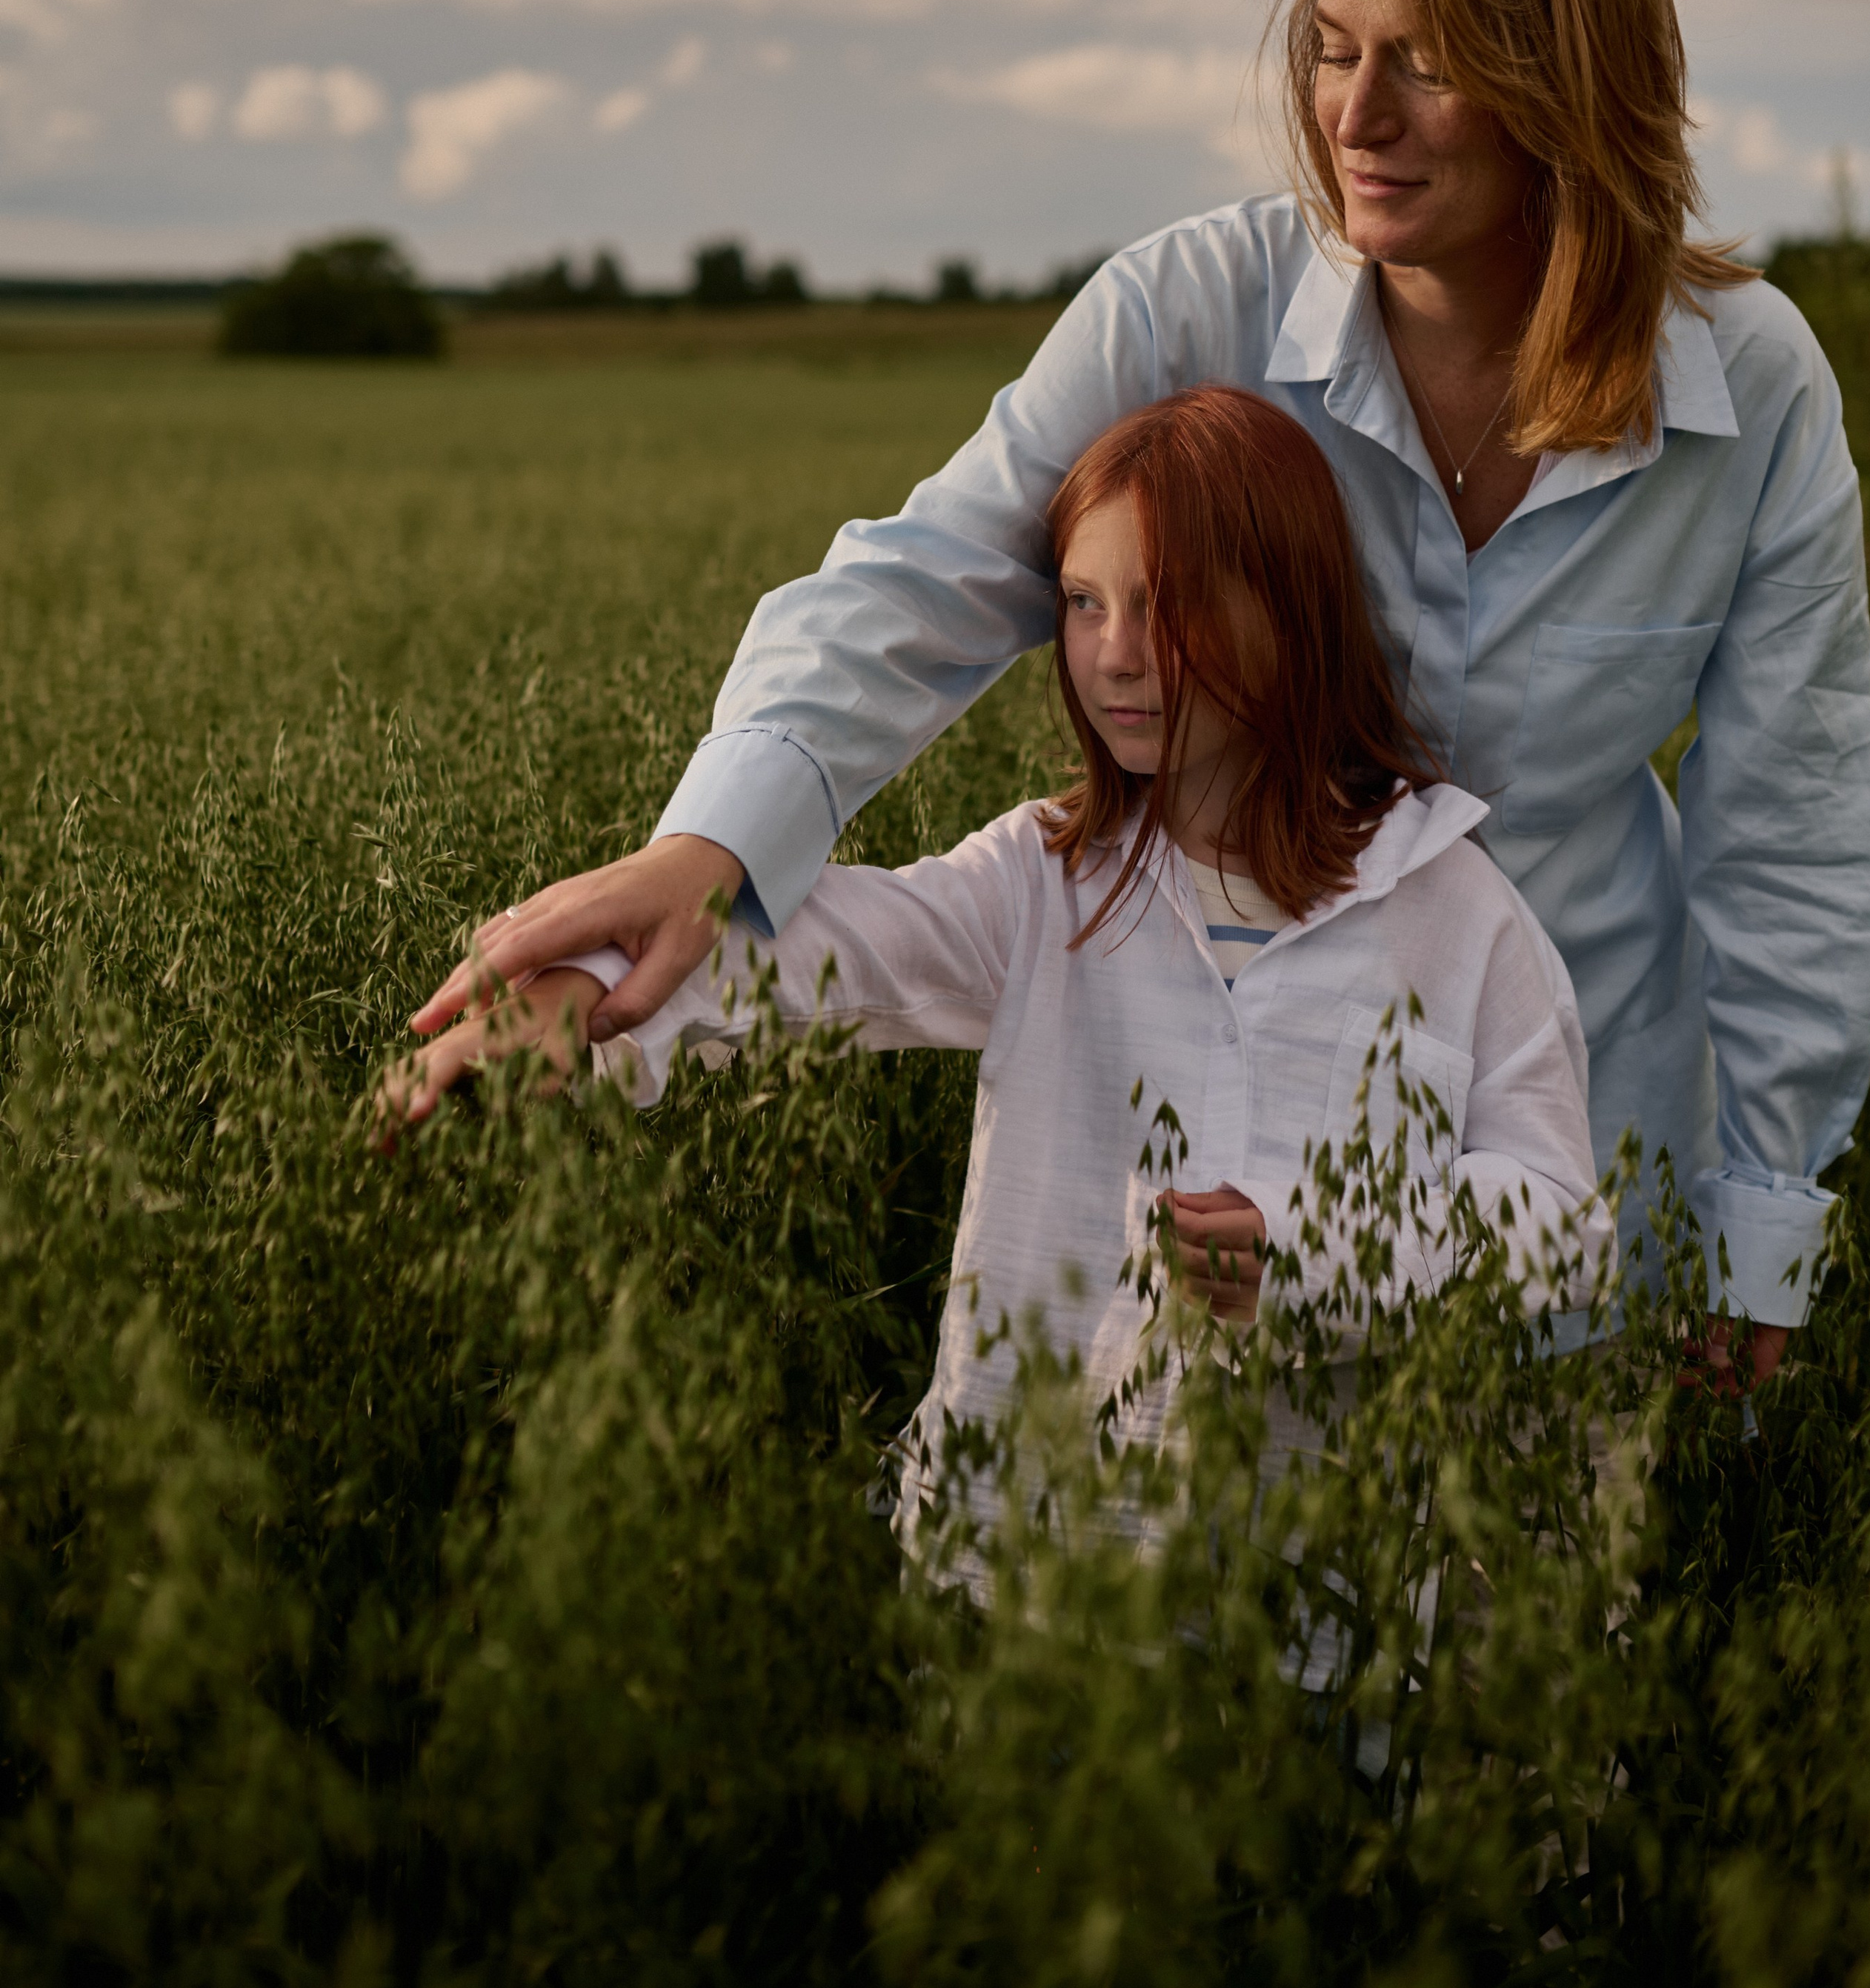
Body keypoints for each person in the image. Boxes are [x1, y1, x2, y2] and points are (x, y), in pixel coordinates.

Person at [410, 0, 1870, 1386]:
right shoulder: (1193, 310)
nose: (1356, 116)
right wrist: (705, 854)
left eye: (1428, 60)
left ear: (1571, 73)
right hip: (1217, 1174)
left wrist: (1760, 1214)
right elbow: (929, 575)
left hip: (1571, 1199)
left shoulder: (1749, 390)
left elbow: (1792, 832)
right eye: (1332, 48)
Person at [385, 389, 1609, 1543]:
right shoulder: (1043, 878)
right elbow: (823, 945)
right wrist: (580, 989)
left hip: (1315, 1592)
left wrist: (1305, 1251)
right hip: (1018, 1565)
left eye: (1167, 603)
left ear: (1292, 611)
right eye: (1083, 601)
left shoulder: (1453, 909)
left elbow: (1560, 1223)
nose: (1116, 653)